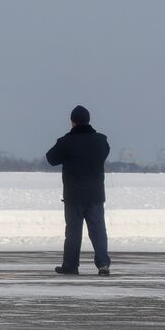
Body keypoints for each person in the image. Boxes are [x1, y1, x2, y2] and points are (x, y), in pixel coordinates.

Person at [46, 105, 111, 276]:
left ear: (72, 121)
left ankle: (70, 265)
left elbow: (51, 158)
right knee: (98, 232)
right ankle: (103, 264)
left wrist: (67, 140)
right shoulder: (100, 141)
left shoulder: (67, 142)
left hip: (74, 196)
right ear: (88, 120)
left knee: (73, 233)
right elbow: (104, 152)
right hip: (95, 194)